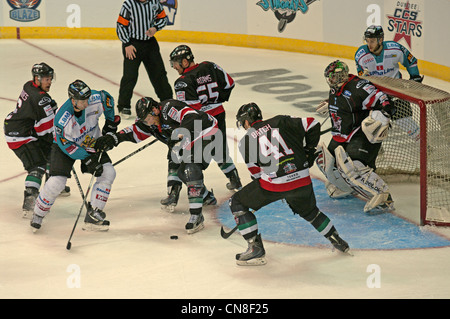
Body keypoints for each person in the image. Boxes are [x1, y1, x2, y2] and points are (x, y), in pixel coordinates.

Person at [228, 102, 349, 266]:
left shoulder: (246, 142)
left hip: (274, 185)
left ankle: (254, 247)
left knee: (237, 202)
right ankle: (336, 239)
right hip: (302, 180)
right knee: (311, 212)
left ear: (247, 121)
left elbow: (256, 175)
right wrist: (308, 150)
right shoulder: (281, 121)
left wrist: (266, 196)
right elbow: (313, 123)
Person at [95, 97, 218, 234]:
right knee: (182, 172)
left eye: (147, 118)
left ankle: (196, 215)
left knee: (190, 169)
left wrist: (178, 135)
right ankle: (206, 196)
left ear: (154, 110)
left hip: (207, 131)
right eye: (144, 120)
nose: (147, 122)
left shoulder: (169, 108)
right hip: (188, 140)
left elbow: (192, 116)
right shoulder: (149, 123)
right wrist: (113, 139)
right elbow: (133, 132)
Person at [30, 80, 120, 232]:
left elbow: (107, 98)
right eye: (82, 100)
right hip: (65, 147)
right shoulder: (62, 119)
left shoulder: (94, 98)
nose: (87, 102)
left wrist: (111, 124)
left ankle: (94, 214)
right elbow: (65, 144)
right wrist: (87, 158)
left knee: (108, 172)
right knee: (57, 182)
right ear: (73, 100)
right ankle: (38, 214)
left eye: (87, 98)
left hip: (90, 141)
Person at [165, 44, 242, 209]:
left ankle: (200, 194)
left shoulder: (182, 82)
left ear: (185, 62)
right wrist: (216, 100)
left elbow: (190, 110)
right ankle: (235, 180)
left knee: (190, 157)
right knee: (219, 150)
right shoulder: (209, 65)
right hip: (219, 115)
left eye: (176, 63)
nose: (174, 67)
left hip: (200, 122)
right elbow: (229, 83)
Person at [315, 60, 396, 213]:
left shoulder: (358, 87)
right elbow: (342, 101)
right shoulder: (335, 89)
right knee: (326, 161)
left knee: (354, 166)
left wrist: (384, 115)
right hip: (341, 133)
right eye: (329, 77)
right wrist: (330, 104)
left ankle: (384, 196)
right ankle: (348, 187)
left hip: (360, 134)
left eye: (333, 77)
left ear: (340, 76)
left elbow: (383, 100)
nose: (330, 80)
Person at [4, 62, 69, 219]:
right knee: (37, 164)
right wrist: (60, 141)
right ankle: (30, 199)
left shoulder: (29, 85)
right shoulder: (40, 99)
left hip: (21, 128)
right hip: (20, 135)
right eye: (46, 79)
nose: (49, 82)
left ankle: (52, 186)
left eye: (50, 78)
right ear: (37, 78)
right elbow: (46, 131)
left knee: (49, 154)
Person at [116, 0, 173, 118]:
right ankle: (123, 106)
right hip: (132, 44)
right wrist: (126, 44)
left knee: (159, 74)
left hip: (150, 44)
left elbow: (163, 18)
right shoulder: (129, 4)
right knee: (130, 76)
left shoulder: (154, 2)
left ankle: (167, 102)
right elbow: (121, 25)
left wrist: (155, 28)